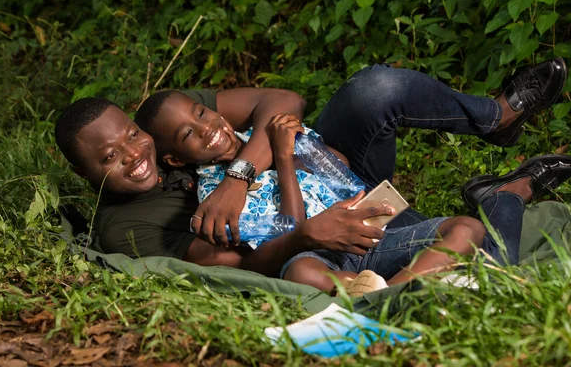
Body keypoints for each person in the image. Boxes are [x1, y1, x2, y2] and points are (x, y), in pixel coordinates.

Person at [55, 58, 570, 286]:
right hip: (316, 230)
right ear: (88, 176)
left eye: (130, 136)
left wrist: (243, 170)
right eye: (110, 159)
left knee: (375, 88)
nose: (132, 154)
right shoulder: (127, 225)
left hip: (327, 171)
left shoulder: (173, 121)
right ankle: (507, 196)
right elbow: (240, 262)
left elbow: (281, 100)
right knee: (473, 238)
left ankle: (495, 117)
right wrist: (304, 226)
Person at [133, 90, 490, 293]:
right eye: (187, 135)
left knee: (467, 228)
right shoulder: (217, 194)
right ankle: (410, 286)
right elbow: (292, 232)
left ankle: (388, 293)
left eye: (201, 113)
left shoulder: (260, 137)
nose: (206, 128)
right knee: (300, 273)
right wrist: (284, 160)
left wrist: (303, 148)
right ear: (174, 160)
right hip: (318, 255)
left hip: (368, 237)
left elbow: (341, 169)